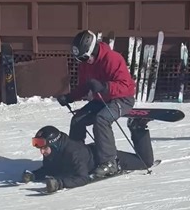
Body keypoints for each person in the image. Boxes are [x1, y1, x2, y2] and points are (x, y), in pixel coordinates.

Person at [57, 30, 136, 178]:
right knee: (77, 120)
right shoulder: (86, 63)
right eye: (80, 59)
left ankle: (109, 162)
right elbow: (84, 87)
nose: (83, 61)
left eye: (85, 57)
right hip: (102, 99)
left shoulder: (113, 58)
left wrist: (105, 87)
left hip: (122, 99)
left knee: (101, 119)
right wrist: (69, 97)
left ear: (93, 49)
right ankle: (76, 156)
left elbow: (126, 86)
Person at [22, 120, 154, 193]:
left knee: (145, 162)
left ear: (54, 144)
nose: (42, 152)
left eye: (44, 148)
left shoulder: (73, 153)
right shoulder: (52, 151)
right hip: (91, 151)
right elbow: (50, 169)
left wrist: (60, 184)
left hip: (106, 158)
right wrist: (34, 175)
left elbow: (82, 178)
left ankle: (138, 127)